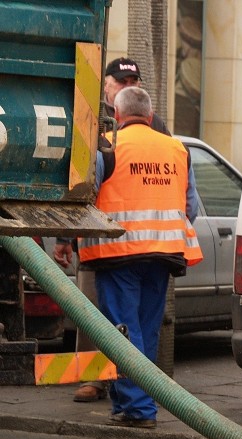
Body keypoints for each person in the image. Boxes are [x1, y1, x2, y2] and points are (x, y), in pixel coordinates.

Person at [76, 86, 202, 428]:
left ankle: (138, 409)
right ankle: (129, 403)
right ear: (150, 115)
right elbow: (189, 205)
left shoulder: (107, 145)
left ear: (117, 115)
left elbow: (87, 194)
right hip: (163, 254)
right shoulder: (177, 149)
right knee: (144, 330)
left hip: (120, 252)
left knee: (123, 330)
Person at [54, 57, 172, 402]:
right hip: (134, 247)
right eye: (120, 80)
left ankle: (135, 402)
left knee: (122, 326)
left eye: (132, 80)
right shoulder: (93, 123)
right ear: (105, 85)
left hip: (119, 249)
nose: (126, 84)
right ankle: (110, 385)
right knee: (104, 318)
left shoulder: (130, 133)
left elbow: (84, 187)